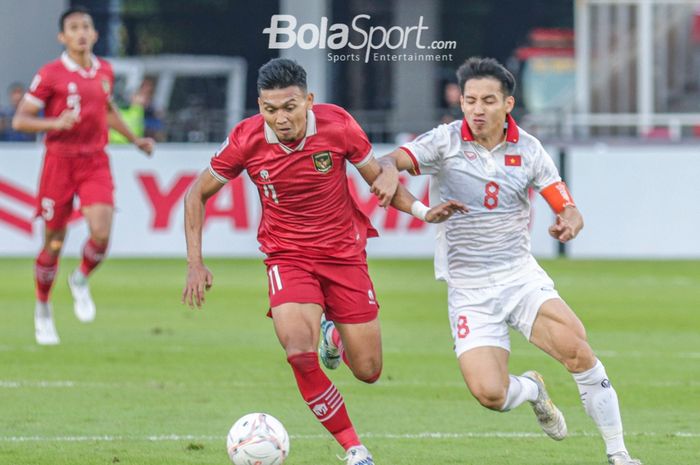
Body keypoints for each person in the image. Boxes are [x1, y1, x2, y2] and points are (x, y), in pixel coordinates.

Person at [182, 58, 462, 465]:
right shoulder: (245, 139)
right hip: (287, 257)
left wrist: (421, 211)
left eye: (290, 107)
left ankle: (334, 336)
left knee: (368, 370)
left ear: (309, 101)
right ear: (259, 105)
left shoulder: (337, 125)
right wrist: (195, 262)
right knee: (298, 350)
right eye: (270, 108)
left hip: (344, 256)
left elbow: (378, 179)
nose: (280, 118)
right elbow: (196, 194)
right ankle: (355, 448)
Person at [364, 57, 643, 465]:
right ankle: (531, 389)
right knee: (490, 395)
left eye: (488, 100)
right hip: (469, 288)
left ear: (508, 104)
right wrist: (388, 169)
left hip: (519, 277)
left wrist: (570, 217)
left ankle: (619, 455)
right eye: (470, 100)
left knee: (577, 350)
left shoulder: (529, 149)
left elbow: (562, 201)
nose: (477, 109)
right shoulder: (445, 141)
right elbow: (395, 158)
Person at [12, 6, 155, 345]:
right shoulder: (50, 74)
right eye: (73, 27)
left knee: (101, 235)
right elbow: (20, 120)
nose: (80, 32)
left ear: (94, 34)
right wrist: (53, 123)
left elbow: (107, 109)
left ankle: (80, 278)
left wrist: (136, 140)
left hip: (94, 161)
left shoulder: (104, 70)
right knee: (54, 243)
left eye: (85, 26)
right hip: (59, 163)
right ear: (63, 36)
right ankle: (43, 308)